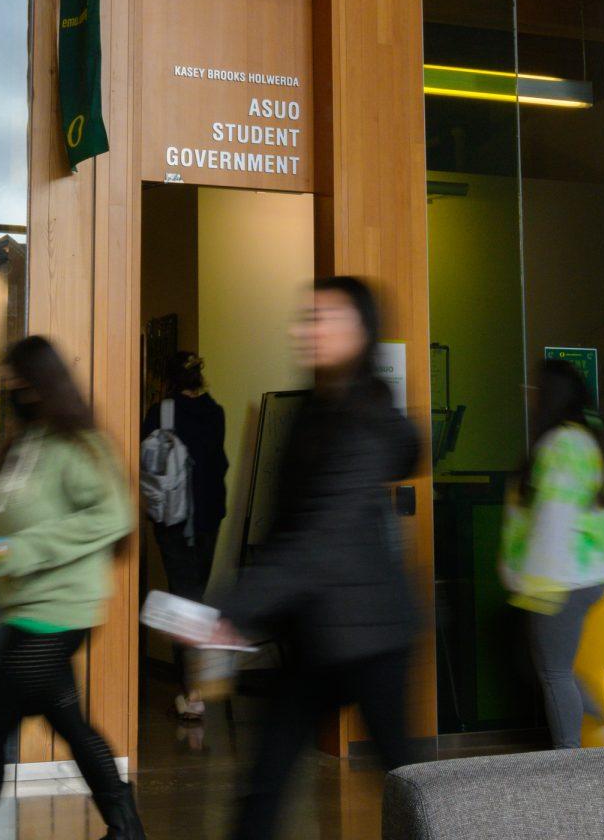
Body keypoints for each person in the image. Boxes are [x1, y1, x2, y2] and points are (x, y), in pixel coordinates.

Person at [207, 277, 420, 840]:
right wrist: (245, 609)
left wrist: (237, 606)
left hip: (369, 634)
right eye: (307, 317)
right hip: (315, 630)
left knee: (406, 779)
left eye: (326, 318)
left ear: (361, 333)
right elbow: (286, 529)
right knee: (265, 777)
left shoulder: (364, 423)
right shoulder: (313, 413)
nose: (307, 329)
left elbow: (320, 537)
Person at [0, 335, 144, 840]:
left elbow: (114, 515)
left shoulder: (80, 445)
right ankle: (125, 825)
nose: (8, 391)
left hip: (57, 611)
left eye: (15, 382)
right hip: (24, 608)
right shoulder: (26, 444)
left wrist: (23, 550)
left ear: (38, 384)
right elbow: (11, 515)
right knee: (68, 723)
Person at [500, 358, 604, 749]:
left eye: (535, 389)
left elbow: (554, 515)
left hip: (561, 577)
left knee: (553, 671)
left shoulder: (562, 444)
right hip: (584, 575)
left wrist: (535, 582)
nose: (529, 396)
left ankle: (568, 760)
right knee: (548, 665)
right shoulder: (582, 440)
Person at [143, 351, 227, 720]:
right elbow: (218, 464)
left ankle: (191, 692)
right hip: (208, 516)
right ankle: (198, 689)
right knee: (197, 599)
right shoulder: (215, 413)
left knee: (183, 600)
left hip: (171, 519)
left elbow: (147, 468)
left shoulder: (159, 413)